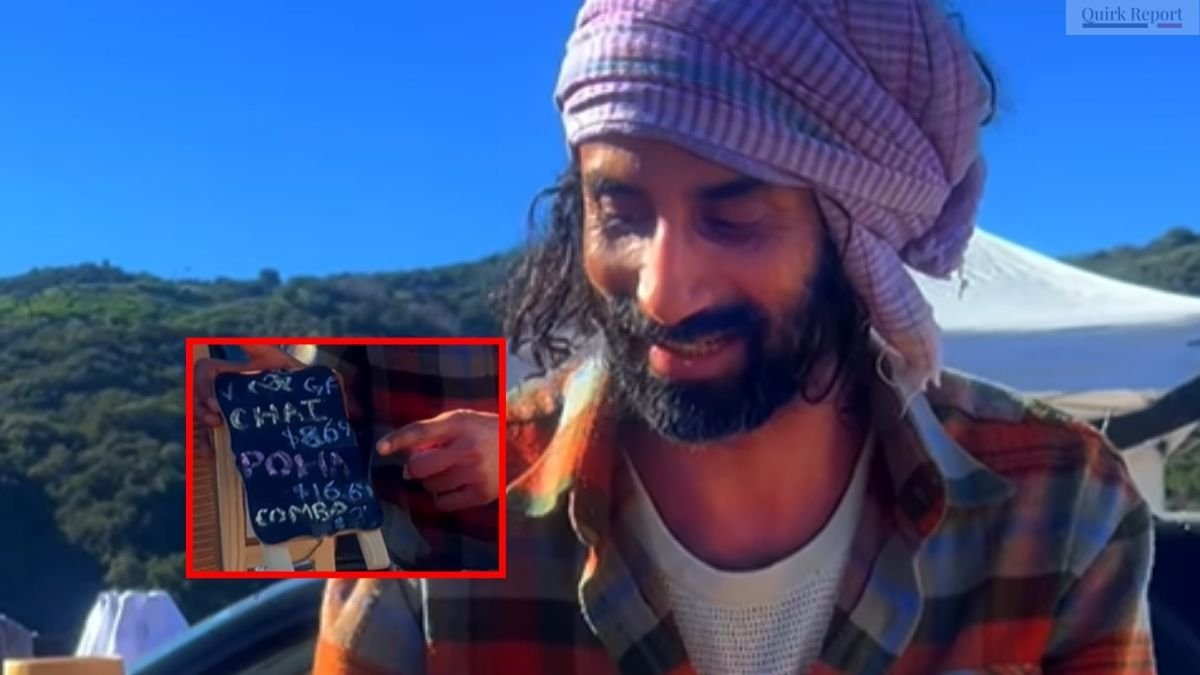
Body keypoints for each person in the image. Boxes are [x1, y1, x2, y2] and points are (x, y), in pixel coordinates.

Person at [315, 0, 1156, 672]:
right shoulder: (417, 499)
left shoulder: (1060, 505)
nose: (663, 291)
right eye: (621, 214)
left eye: (734, 216)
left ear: (855, 238)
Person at [193, 343, 503, 571]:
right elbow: (333, 393)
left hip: (535, 580)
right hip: (410, 572)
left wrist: (518, 449)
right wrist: (269, 393)